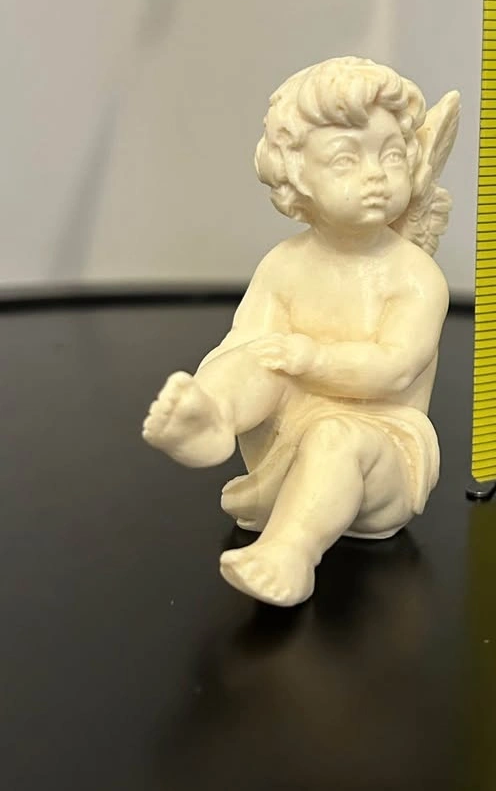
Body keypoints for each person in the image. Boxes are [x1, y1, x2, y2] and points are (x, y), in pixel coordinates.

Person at [142, 57, 459, 606]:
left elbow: (395, 368)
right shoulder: (284, 264)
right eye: (345, 159)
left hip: (383, 450)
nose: (376, 175)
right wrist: (219, 385)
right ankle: (210, 422)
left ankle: (289, 552)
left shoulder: (414, 275)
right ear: (296, 177)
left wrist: (313, 359)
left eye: (390, 155)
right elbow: (242, 343)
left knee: (336, 436)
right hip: (285, 439)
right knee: (259, 355)